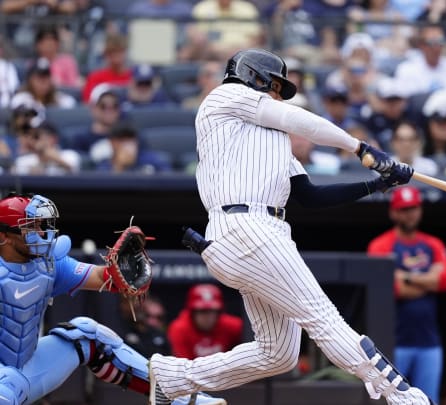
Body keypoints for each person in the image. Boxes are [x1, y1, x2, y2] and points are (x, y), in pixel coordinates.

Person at [147, 48, 431, 405]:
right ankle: (401, 395)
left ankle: (174, 379)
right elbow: (302, 121)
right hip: (245, 228)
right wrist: (360, 148)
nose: (278, 94)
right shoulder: (226, 96)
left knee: (277, 353)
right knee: (323, 318)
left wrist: (377, 184)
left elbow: (310, 197)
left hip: (256, 236)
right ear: (255, 76)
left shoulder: (275, 142)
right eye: (276, 86)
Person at [0, 192, 224, 405]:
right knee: (7, 384)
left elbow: (101, 277)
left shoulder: (48, 264)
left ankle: (182, 399)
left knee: (87, 334)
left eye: (40, 225)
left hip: (26, 368)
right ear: (4, 237)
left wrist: (117, 273)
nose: (41, 233)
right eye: (29, 228)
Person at [366, 186, 446, 404]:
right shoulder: (380, 245)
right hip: (393, 342)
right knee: (389, 398)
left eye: (413, 208)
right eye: (404, 209)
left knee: (428, 400)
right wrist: (428, 279)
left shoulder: (432, 244)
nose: (410, 213)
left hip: (429, 342)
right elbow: (391, 289)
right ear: (394, 212)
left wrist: (405, 276)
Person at [167, 284, 243, 359]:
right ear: (192, 312)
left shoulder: (231, 325)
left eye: (212, 311)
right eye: (202, 311)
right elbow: (183, 366)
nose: (207, 317)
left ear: (219, 312)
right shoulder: (179, 329)